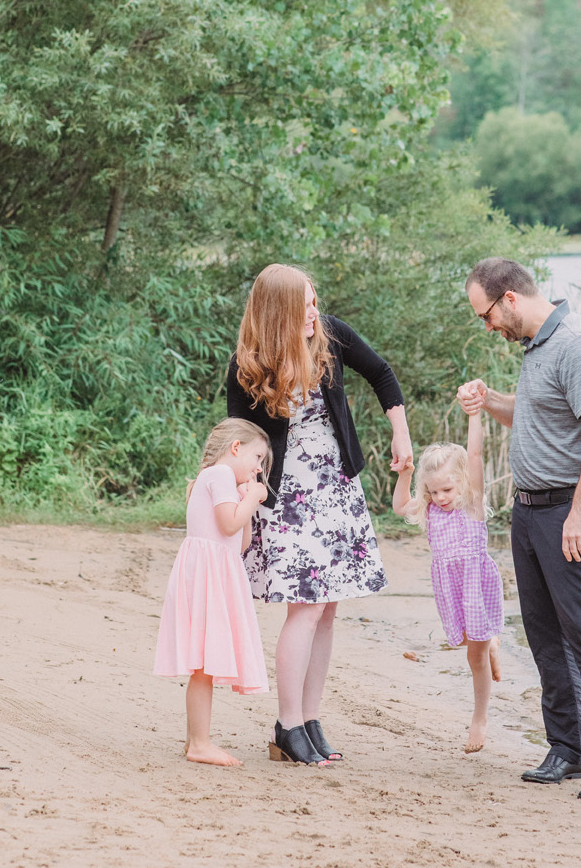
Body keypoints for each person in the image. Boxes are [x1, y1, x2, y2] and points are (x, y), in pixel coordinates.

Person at [456, 257, 581, 801]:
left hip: (574, 512)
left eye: (486, 315)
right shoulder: (537, 347)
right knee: (545, 634)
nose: (487, 328)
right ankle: (566, 748)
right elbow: (535, 417)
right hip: (530, 513)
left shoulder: (577, 342)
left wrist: (580, 511)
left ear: (509, 299)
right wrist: (491, 402)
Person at [227, 262, 413, 766]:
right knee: (305, 609)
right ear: (278, 312)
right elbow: (236, 442)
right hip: (287, 497)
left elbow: (382, 372)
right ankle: (287, 726)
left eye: (314, 300)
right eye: (305, 304)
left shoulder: (328, 336)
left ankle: (310, 719)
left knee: (328, 609)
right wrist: (241, 505)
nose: (315, 311)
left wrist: (401, 432)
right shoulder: (247, 364)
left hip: (336, 489)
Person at [153, 418, 272, 767]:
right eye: (257, 458)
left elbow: (242, 540)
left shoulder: (220, 482)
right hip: (208, 574)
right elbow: (228, 524)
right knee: (203, 663)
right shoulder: (219, 475)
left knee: (203, 663)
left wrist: (246, 500)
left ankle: (195, 739)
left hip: (216, 571)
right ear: (236, 448)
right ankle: (200, 744)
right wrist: (252, 496)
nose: (258, 468)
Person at [392, 409, 504, 753]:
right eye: (434, 491)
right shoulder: (429, 509)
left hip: (476, 583)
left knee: (475, 658)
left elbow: (474, 455)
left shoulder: (471, 503)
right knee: (468, 644)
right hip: (450, 588)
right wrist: (406, 474)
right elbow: (399, 508)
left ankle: (479, 718)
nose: (441, 497)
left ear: (463, 483)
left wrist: (474, 415)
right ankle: (491, 642)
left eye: (446, 489)